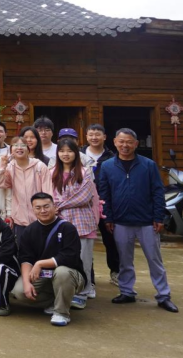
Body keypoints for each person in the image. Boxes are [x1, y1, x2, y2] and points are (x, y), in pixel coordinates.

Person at [97, 128, 177, 312]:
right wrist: (108, 217)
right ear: (115, 142)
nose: (125, 145)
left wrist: (158, 216)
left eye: (129, 142)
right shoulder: (107, 166)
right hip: (120, 221)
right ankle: (127, 292)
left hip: (147, 221)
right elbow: (104, 194)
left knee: (154, 259)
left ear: (136, 144)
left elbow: (157, 191)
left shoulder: (148, 165)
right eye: (121, 141)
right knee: (124, 260)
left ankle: (163, 295)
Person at [12, 192, 87, 327]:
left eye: (46, 206)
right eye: (38, 207)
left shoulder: (67, 228)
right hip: (44, 276)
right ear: (33, 209)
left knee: (62, 272)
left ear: (55, 207)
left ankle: (61, 312)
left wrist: (40, 263)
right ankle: (55, 301)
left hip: (70, 274)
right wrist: (26, 282)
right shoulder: (29, 231)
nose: (43, 210)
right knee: (20, 291)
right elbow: (25, 258)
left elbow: (69, 256)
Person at [49, 136, 98, 305]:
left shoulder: (85, 172)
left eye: (69, 151)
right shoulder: (52, 173)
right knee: (62, 259)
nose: (65, 154)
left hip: (82, 222)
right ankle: (62, 292)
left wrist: (58, 206)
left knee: (84, 260)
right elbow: (49, 194)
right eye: (62, 151)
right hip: (60, 223)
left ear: (76, 153)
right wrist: (53, 207)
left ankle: (83, 292)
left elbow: (84, 197)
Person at [82, 123, 119, 287]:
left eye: (98, 134)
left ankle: (116, 271)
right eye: (91, 134)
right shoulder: (79, 154)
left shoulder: (112, 157)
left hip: (106, 204)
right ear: (86, 137)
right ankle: (88, 277)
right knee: (85, 242)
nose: (94, 137)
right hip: (84, 205)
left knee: (110, 239)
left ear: (104, 137)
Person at [0, 138, 49, 239]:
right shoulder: (9, 168)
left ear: (28, 149)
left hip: (41, 217)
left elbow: (48, 191)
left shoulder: (39, 166)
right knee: (22, 247)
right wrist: (2, 166)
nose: (19, 148)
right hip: (19, 220)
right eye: (15, 145)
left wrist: (47, 210)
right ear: (11, 150)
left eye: (23, 145)